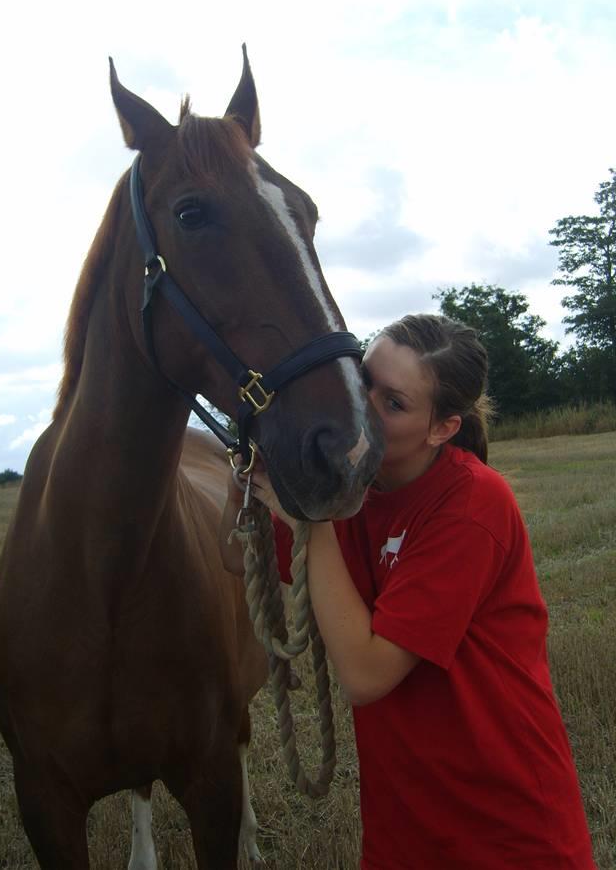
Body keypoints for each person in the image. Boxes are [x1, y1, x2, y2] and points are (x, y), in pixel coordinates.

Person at [219, 313, 596, 870]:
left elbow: (366, 675)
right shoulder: (355, 489)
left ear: (442, 427)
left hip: (508, 829)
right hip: (403, 824)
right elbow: (237, 555)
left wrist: (314, 519)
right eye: (364, 380)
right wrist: (247, 460)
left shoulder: (472, 506)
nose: (364, 405)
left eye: (393, 403)